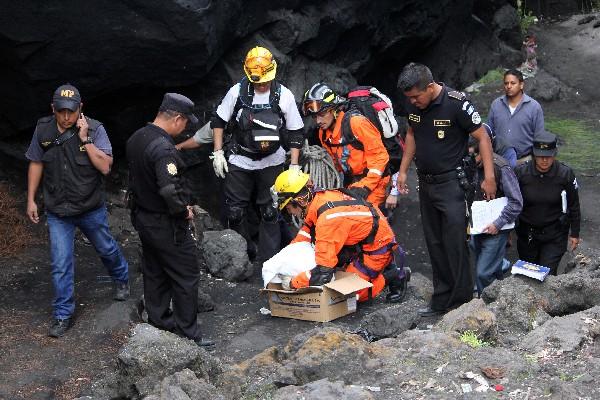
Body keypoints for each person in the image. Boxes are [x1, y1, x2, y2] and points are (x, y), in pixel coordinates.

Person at [25, 83, 129, 338]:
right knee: (60, 263)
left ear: (80, 108)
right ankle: (63, 314)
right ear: (53, 109)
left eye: (71, 111)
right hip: (58, 210)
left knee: (106, 247)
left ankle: (121, 277)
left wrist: (86, 140)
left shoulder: (95, 129)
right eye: (61, 111)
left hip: (89, 207)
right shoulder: (43, 130)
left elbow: (106, 167)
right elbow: (36, 162)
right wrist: (31, 199)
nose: (66, 116)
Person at [184, 46, 304, 263]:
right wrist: (218, 152)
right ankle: (241, 256)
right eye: (258, 81)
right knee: (235, 211)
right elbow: (218, 121)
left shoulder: (283, 95)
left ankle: (269, 260)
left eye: (266, 79)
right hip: (241, 159)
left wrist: (294, 166)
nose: (262, 84)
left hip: (272, 161)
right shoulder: (237, 92)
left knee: (270, 210)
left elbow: (295, 131)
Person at [395, 63, 496, 317]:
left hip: (453, 184)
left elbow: (482, 137)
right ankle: (440, 300)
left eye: (417, 96)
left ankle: (461, 302)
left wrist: (490, 177)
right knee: (434, 242)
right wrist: (404, 170)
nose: (413, 102)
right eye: (409, 98)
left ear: (430, 87)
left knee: (455, 243)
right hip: (426, 183)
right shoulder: (413, 104)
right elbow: (411, 135)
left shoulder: (456, 103)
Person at [126, 93, 213, 347]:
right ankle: (189, 334)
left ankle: (159, 321)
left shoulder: (137, 137)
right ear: (177, 118)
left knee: (154, 271)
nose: (186, 129)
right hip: (165, 222)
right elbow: (168, 189)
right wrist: (182, 211)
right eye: (186, 123)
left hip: (143, 217)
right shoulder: (163, 149)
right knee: (186, 274)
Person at [271, 170, 410, 303]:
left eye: (289, 208)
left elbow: (323, 273)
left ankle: (395, 275)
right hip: (361, 237)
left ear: (300, 201)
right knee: (334, 268)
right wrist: (286, 258)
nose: (291, 213)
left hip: (377, 245)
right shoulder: (319, 199)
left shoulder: (327, 220)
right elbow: (306, 233)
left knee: (351, 293)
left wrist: (293, 283)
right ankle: (380, 267)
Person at [302, 83, 391, 207]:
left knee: (364, 219)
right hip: (352, 182)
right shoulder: (323, 133)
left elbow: (380, 157)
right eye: (314, 117)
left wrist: (365, 187)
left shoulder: (356, 123)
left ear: (334, 109)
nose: (318, 121)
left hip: (375, 182)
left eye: (322, 115)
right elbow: (335, 164)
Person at [514, 131, 581, 275]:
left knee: (546, 275)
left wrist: (575, 233)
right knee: (528, 275)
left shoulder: (565, 174)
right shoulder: (521, 173)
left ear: (554, 155)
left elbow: (574, 205)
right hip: (528, 235)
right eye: (540, 156)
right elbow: (512, 202)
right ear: (534, 155)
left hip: (555, 234)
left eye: (549, 156)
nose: (545, 160)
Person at [467, 137, 522, 295]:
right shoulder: (469, 165)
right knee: (488, 268)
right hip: (477, 226)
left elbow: (516, 202)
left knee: (483, 273)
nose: (468, 160)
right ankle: (499, 273)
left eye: (472, 156)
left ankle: (487, 305)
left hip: (497, 228)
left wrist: (498, 223)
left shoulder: (501, 168)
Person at [486, 69, 544, 164]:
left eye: (513, 83)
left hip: (525, 162)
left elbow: (539, 137)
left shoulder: (534, 107)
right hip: (499, 162)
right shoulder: (496, 105)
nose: (509, 86)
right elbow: (488, 133)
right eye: (506, 83)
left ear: (521, 85)